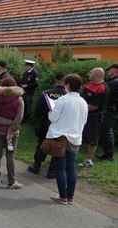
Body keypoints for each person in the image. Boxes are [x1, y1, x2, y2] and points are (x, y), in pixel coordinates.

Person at [46, 74, 88, 205]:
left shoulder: (62, 100)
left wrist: (50, 111)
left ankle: (62, 196)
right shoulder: (83, 102)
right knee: (71, 168)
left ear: (68, 85)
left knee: (61, 168)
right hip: (75, 137)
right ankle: (70, 197)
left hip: (60, 137)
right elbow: (84, 120)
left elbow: (53, 118)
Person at [28, 73, 66, 178]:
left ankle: (36, 167)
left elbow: (37, 111)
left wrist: (41, 119)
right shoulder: (68, 95)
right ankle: (52, 171)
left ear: (55, 81)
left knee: (42, 144)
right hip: (62, 126)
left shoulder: (46, 93)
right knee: (58, 147)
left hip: (46, 124)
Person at [0, 76, 24, 189]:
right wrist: (11, 125)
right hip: (13, 132)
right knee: (10, 156)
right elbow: (19, 118)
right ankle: (11, 181)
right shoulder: (19, 99)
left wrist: (5, 123)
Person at [78, 67, 109, 168]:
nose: (89, 74)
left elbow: (94, 106)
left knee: (92, 139)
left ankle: (88, 160)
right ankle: (73, 155)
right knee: (79, 134)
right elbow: (81, 91)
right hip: (84, 114)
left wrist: (78, 108)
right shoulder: (89, 84)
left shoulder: (102, 89)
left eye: (91, 73)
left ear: (98, 75)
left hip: (94, 117)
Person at [98, 64, 118, 162]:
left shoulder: (114, 83)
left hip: (109, 110)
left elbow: (103, 94)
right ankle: (107, 154)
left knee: (106, 132)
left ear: (114, 70)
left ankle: (109, 155)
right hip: (111, 110)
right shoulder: (114, 82)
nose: (108, 72)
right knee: (106, 131)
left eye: (109, 70)